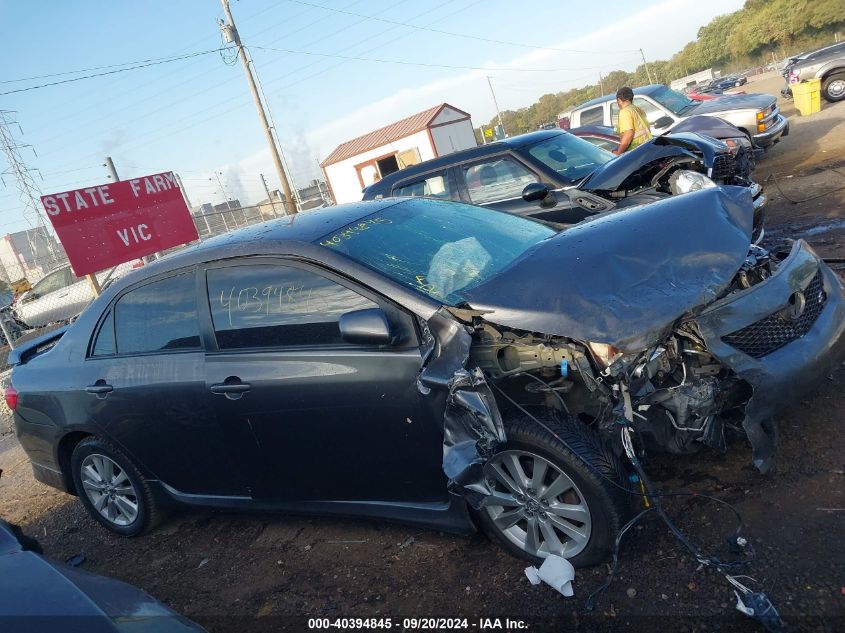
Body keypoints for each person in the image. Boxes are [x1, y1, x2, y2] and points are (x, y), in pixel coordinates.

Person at [613, 87, 652, 155]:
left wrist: (619, 153)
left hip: (637, 150)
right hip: (647, 146)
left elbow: (629, 133)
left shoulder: (625, 112)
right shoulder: (638, 109)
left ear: (619, 100)